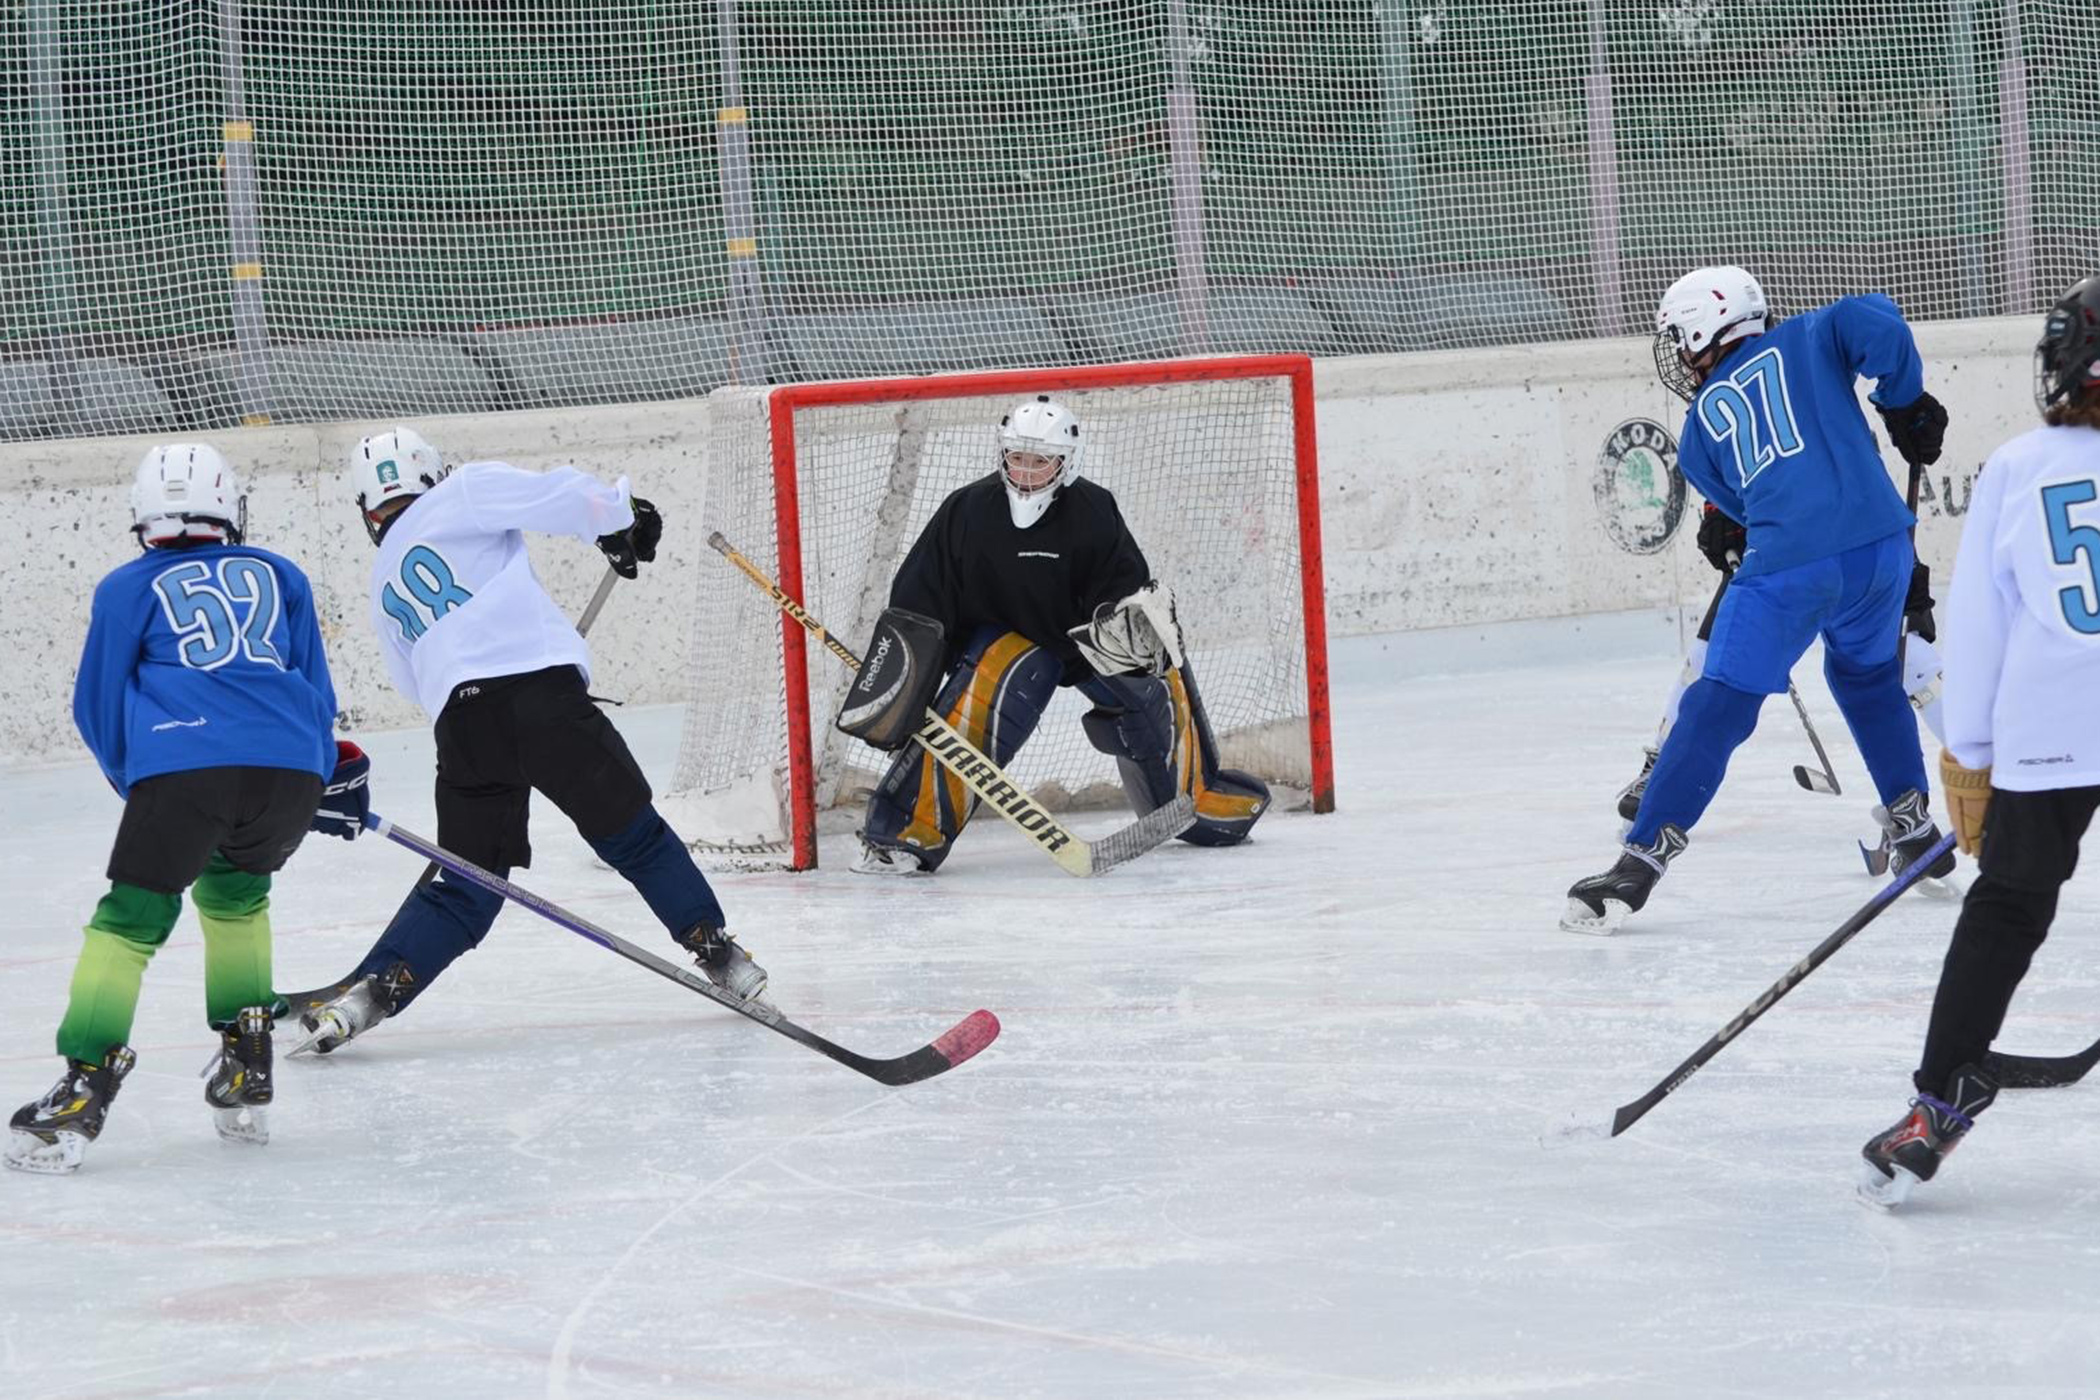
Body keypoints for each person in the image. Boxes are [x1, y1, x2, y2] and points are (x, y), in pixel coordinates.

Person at [287, 427, 762, 1055]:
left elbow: (411, 679)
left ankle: (369, 995)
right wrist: (620, 516)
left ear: (367, 508)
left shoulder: (382, 580)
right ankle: (717, 952)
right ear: (432, 473)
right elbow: (564, 496)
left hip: (463, 731)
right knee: (634, 836)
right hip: (544, 705)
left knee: (467, 885)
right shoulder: (462, 491)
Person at [1564, 267, 1953, 933]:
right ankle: (1913, 825)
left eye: (1680, 338)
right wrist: (1904, 401)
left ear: (1703, 330)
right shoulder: (1812, 334)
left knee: (1717, 704)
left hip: (1790, 567)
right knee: (1866, 677)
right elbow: (1879, 323)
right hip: (1884, 553)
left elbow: (1745, 510)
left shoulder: (1699, 428)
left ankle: (1640, 861)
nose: (1679, 355)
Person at [6, 444, 353, 1173]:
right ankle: (246, 1061)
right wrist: (314, 772)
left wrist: (140, 781)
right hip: (289, 772)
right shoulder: (282, 573)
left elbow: (96, 704)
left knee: (129, 921)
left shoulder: (126, 587)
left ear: (144, 514)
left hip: (185, 769)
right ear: (228, 507)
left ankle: (83, 1085)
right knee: (237, 899)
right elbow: (317, 694)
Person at [1859, 275, 2100, 1207]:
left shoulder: (2018, 465)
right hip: (2053, 726)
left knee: (2006, 910)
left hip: (2050, 727)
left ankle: (1939, 1103)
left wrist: (1968, 753)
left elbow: (1982, 623)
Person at [843, 395, 1270, 875]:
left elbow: (1122, 590)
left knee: (1156, 677)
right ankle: (903, 833)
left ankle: (1196, 800)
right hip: (1003, 647)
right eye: (1017, 458)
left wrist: (1129, 635)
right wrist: (905, 684)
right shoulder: (968, 510)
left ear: (1066, 463)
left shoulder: (1093, 508)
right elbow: (920, 602)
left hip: (1082, 644)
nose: (1026, 472)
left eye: (1040, 461)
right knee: (1000, 682)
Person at [1613, 503, 1952, 874]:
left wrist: (1721, 509)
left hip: (1824, 524)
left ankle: (1983, 767)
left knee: (1892, 654)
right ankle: (1980, 772)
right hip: (1831, 524)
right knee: (1882, 653)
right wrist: (1720, 509)